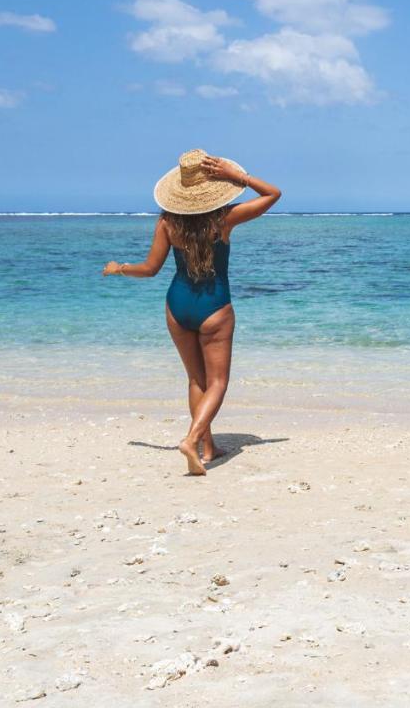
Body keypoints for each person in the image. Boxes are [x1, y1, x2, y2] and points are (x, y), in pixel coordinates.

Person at [102, 149, 281, 475]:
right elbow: (273, 194)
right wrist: (236, 175)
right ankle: (193, 439)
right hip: (214, 307)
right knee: (218, 382)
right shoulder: (224, 219)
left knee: (196, 380)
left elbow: (151, 268)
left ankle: (208, 448)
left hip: (177, 305)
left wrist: (119, 268)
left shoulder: (168, 223)